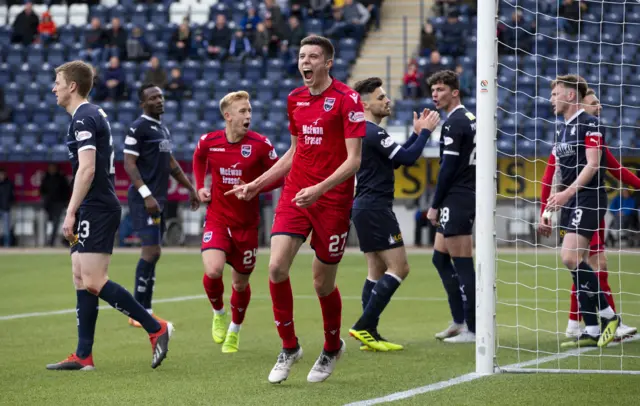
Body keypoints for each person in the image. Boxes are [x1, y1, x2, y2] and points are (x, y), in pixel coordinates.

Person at [228, 35, 365, 383]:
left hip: (331, 199)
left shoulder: (348, 100)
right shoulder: (294, 99)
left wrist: (319, 188)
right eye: (302, 55)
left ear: (328, 63)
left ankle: (332, 347)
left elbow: (354, 161)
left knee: (321, 284)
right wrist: (256, 184)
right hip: (295, 194)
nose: (305, 62)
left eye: (313, 56)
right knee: (275, 268)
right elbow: (294, 152)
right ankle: (289, 347)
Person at [46, 61, 173, 371]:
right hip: (94, 206)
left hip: (97, 207)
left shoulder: (84, 117)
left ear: (72, 86)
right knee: (80, 275)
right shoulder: (88, 115)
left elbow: (88, 168)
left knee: (93, 279)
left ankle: (155, 327)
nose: (54, 88)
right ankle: (83, 355)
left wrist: (71, 210)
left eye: (58, 82)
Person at [348, 77, 440, 352]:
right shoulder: (373, 132)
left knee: (376, 269)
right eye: (381, 97)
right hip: (376, 207)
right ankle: (364, 325)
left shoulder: (364, 132)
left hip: (364, 206)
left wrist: (414, 134)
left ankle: (370, 335)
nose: (388, 100)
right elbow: (408, 159)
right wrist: (424, 133)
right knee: (400, 268)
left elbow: (396, 159)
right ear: (364, 104)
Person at [538, 88, 638, 340]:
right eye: (594, 103)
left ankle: (582, 323)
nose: (599, 107)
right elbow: (551, 176)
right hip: (579, 204)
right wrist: (546, 212)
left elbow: (615, 168)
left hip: (582, 202)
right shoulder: (569, 134)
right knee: (588, 263)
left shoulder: (590, 135)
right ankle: (606, 319)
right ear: (579, 103)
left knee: (581, 263)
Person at [194, 91, 281, 353]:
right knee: (212, 270)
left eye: (250, 111)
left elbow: (281, 175)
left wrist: (256, 187)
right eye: (243, 111)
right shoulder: (210, 141)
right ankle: (219, 312)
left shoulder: (261, 144)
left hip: (247, 225)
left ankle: (235, 330)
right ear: (228, 116)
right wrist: (200, 187)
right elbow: (199, 158)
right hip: (218, 218)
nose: (248, 116)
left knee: (240, 284)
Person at [123, 84, 199, 327]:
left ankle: (144, 309)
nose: (159, 100)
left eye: (161, 96)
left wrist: (190, 187)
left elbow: (171, 163)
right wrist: (146, 194)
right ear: (143, 103)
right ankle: (138, 311)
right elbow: (129, 164)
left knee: (155, 253)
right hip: (144, 200)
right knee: (151, 251)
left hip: (158, 201)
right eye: (153, 97)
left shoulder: (162, 129)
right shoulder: (138, 127)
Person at [426, 70, 477, 344]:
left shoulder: (454, 123)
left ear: (455, 92)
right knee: (440, 258)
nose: (436, 95)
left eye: (441, 89)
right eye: (433, 90)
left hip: (457, 196)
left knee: (462, 262)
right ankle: (459, 321)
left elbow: (447, 168)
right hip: (462, 193)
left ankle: (473, 328)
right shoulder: (469, 119)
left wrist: (435, 204)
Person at [40, 163, 71, 247]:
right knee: (44, 222)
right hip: (48, 204)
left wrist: (65, 201)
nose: (52, 169)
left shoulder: (61, 178)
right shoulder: (46, 178)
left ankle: (51, 242)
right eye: (50, 168)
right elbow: (42, 190)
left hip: (59, 203)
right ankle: (44, 241)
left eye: (53, 168)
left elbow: (66, 191)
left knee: (56, 223)